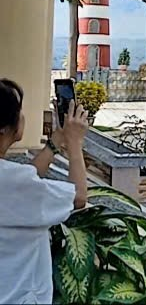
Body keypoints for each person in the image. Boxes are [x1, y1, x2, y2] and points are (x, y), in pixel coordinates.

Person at [0, 78, 89, 304]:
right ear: (4, 128)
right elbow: (78, 197)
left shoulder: (13, 180)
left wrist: (55, 141)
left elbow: (25, 180)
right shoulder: (14, 181)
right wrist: (75, 143)